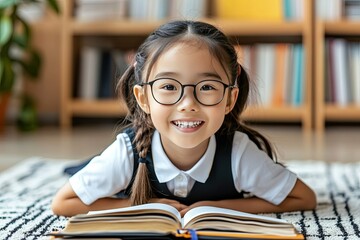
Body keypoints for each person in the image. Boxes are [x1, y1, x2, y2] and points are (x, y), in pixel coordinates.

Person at [52, 20, 316, 217]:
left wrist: (218, 207)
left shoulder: (238, 153)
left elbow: (303, 198)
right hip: (124, 155)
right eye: (168, 87)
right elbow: (63, 203)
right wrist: (142, 206)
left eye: (207, 87)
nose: (188, 105)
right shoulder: (125, 153)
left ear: (229, 100)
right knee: (78, 170)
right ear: (143, 98)